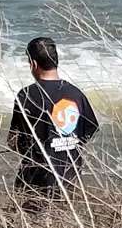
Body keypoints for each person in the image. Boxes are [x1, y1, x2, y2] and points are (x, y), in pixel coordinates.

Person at [7, 37, 99, 211]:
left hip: (35, 176)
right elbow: (90, 129)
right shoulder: (76, 93)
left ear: (33, 63)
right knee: (62, 218)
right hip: (69, 174)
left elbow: (13, 140)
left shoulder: (26, 95)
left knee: (27, 221)